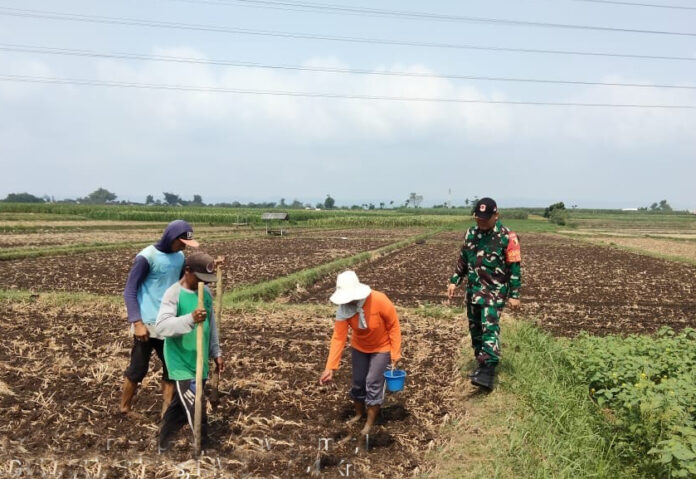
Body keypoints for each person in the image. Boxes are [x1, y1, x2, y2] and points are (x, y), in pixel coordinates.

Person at [120, 219, 200, 416]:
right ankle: (124, 407)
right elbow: (129, 291)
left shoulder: (180, 257)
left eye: (186, 244)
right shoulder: (147, 257)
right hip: (147, 323)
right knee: (138, 369)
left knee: (171, 369)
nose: (183, 247)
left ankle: (166, 413)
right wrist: (137, 322)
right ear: (171, 238)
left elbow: (183, 283)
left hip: (170, 322)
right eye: (181, 242)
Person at [447, 197, 521, 391]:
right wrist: (455, 280)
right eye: (478, 217)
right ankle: (481, 364)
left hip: (495, 292)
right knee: (476, 330)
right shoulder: (471, 233)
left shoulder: (508, 237)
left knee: (489, 327)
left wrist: (515, 294)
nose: (480, 221)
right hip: (473, 291)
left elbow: (514, 267)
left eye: (485, 218)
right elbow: (463, 259)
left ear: (496, 215)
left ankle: (488, 372)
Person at [319, 271, 401, 439]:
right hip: (359, 348)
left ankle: (370, 422)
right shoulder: (344, 309)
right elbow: (338, 337)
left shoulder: (379, 300)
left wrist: (395, 354)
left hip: (381, 348)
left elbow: (393, 326)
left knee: (372, 383)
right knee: (357, 383)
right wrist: (330, 367)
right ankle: (359, 414)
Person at [155, 251, 224, 451]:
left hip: (200, 360)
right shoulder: (173, 293)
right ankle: (203, 448)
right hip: (181, 360)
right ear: (187, 271)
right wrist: (190, 319)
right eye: (201, 279)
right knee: (196, 404)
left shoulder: (207, 294)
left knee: (179, 406)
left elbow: (211, 326)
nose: (206, 284)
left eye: (208, 280)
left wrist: (216, 351)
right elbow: (162, 326)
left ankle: (163, 444)